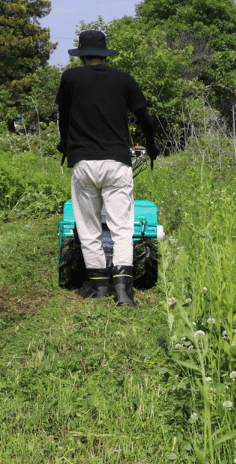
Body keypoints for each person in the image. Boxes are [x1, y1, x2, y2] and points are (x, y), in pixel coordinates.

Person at [55, 30, 159, 305]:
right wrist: (151, 144)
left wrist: (65, 145)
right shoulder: (123, 79)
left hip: (84, 164)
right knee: (122, 227)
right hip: (116, 163)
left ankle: (98, 289)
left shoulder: (70, 78)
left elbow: (63, 116)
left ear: (81, 54)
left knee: (87, 227)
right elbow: (144, 117)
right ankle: (124, 293)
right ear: (104, 54)